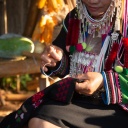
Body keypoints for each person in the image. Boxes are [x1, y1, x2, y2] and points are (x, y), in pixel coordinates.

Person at [1, 0, 128, 128]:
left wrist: (103, 81)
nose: (92, 0)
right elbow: (65, 61)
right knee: (38, 120)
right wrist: (55, 60)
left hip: (120, 109)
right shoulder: (76, 17)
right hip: (82, 102)